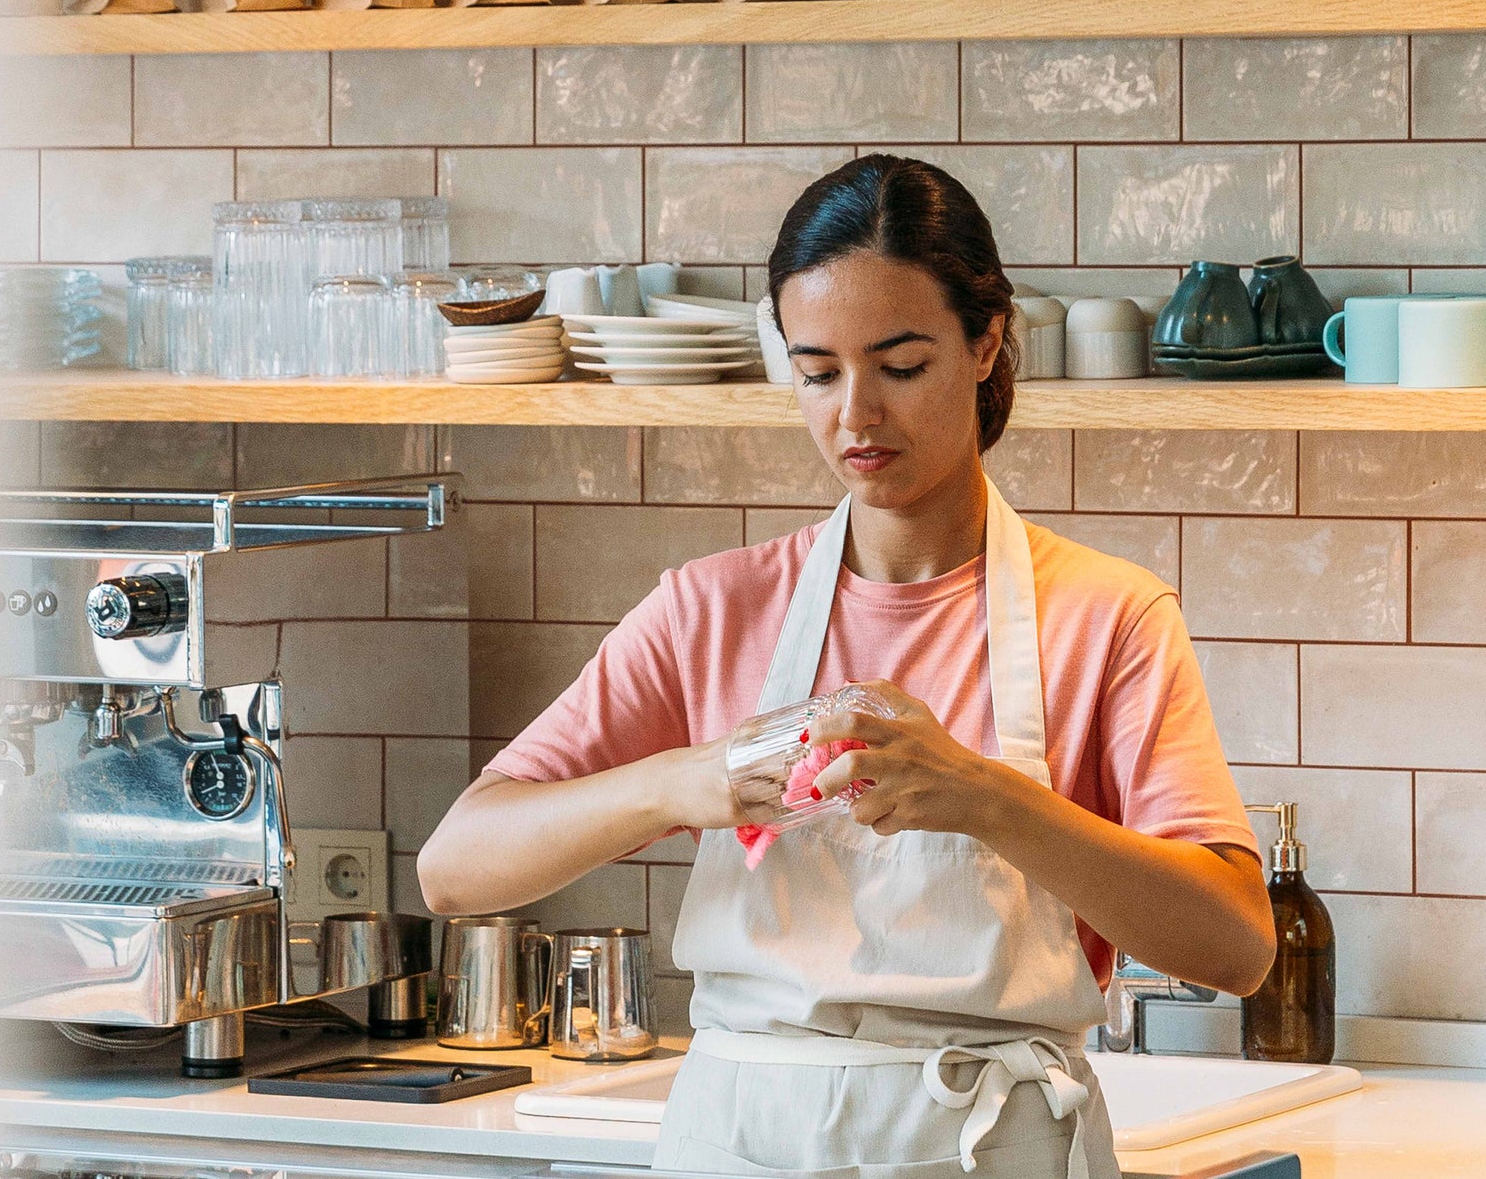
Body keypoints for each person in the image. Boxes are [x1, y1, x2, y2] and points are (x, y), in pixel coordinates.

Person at [419, 154, 1276, 1178]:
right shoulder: (711, 607)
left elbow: (1234, 948)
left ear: (986, 341)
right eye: (817, 372)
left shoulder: (1106, 615)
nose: (855, 417)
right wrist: (685, 781)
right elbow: (455, 869)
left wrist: (981, 798)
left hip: (988, 1143)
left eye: (900, 366)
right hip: (734, 1145)